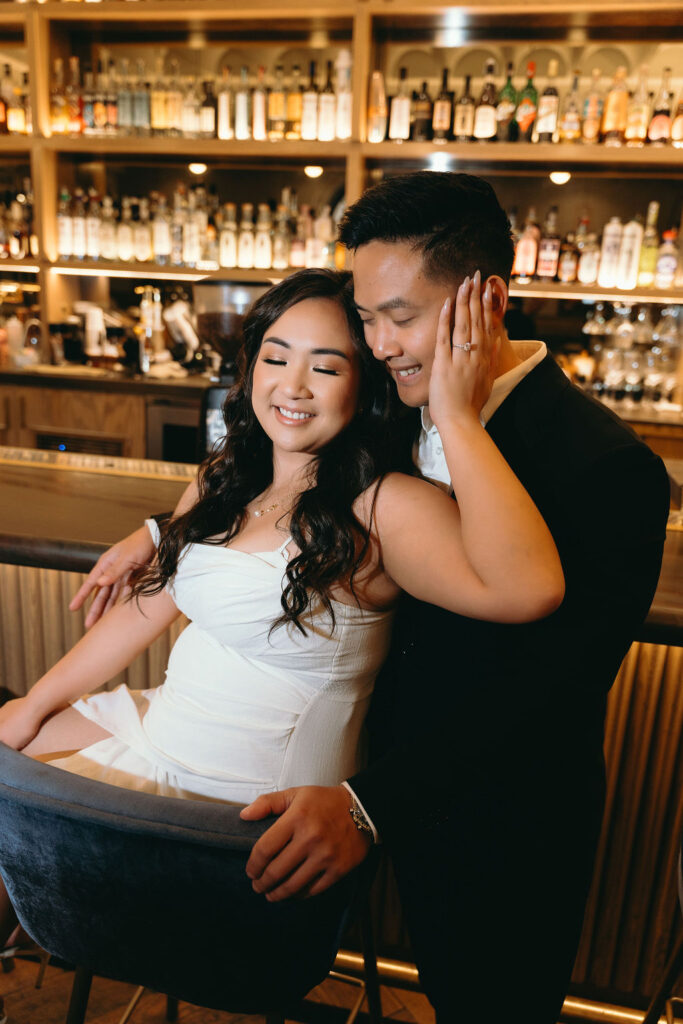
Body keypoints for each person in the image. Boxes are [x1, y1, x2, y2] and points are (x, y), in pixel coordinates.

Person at [64, 174, 669, 1023]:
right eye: (367, 317)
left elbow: (550, 691)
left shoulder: (607, 468)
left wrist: (369, 806)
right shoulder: (391, 400)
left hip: (491, 819)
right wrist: (167, 536)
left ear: (486, 298)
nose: (377, 342)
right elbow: (282, 483)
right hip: (338, 776)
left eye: (400, 315)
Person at [0, 266, 564, 963]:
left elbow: (528, 589)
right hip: (161, 730)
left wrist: (455, 416)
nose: (291, 387)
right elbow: (149, 605)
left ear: (363, 387)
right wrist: (35, 702)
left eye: (324, 367)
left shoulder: (381, 505)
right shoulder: (223, 476)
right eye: (275, 357)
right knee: (7, 748)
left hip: (250, 806)